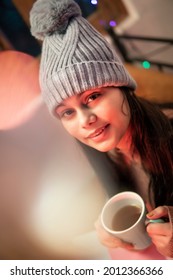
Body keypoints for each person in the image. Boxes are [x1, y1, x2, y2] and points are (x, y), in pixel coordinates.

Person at [30, 0, 173, 258]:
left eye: (93, 97)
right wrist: (105, 226)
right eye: (67, 112)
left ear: (121, 87)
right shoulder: (101, 152)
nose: (85, 120)